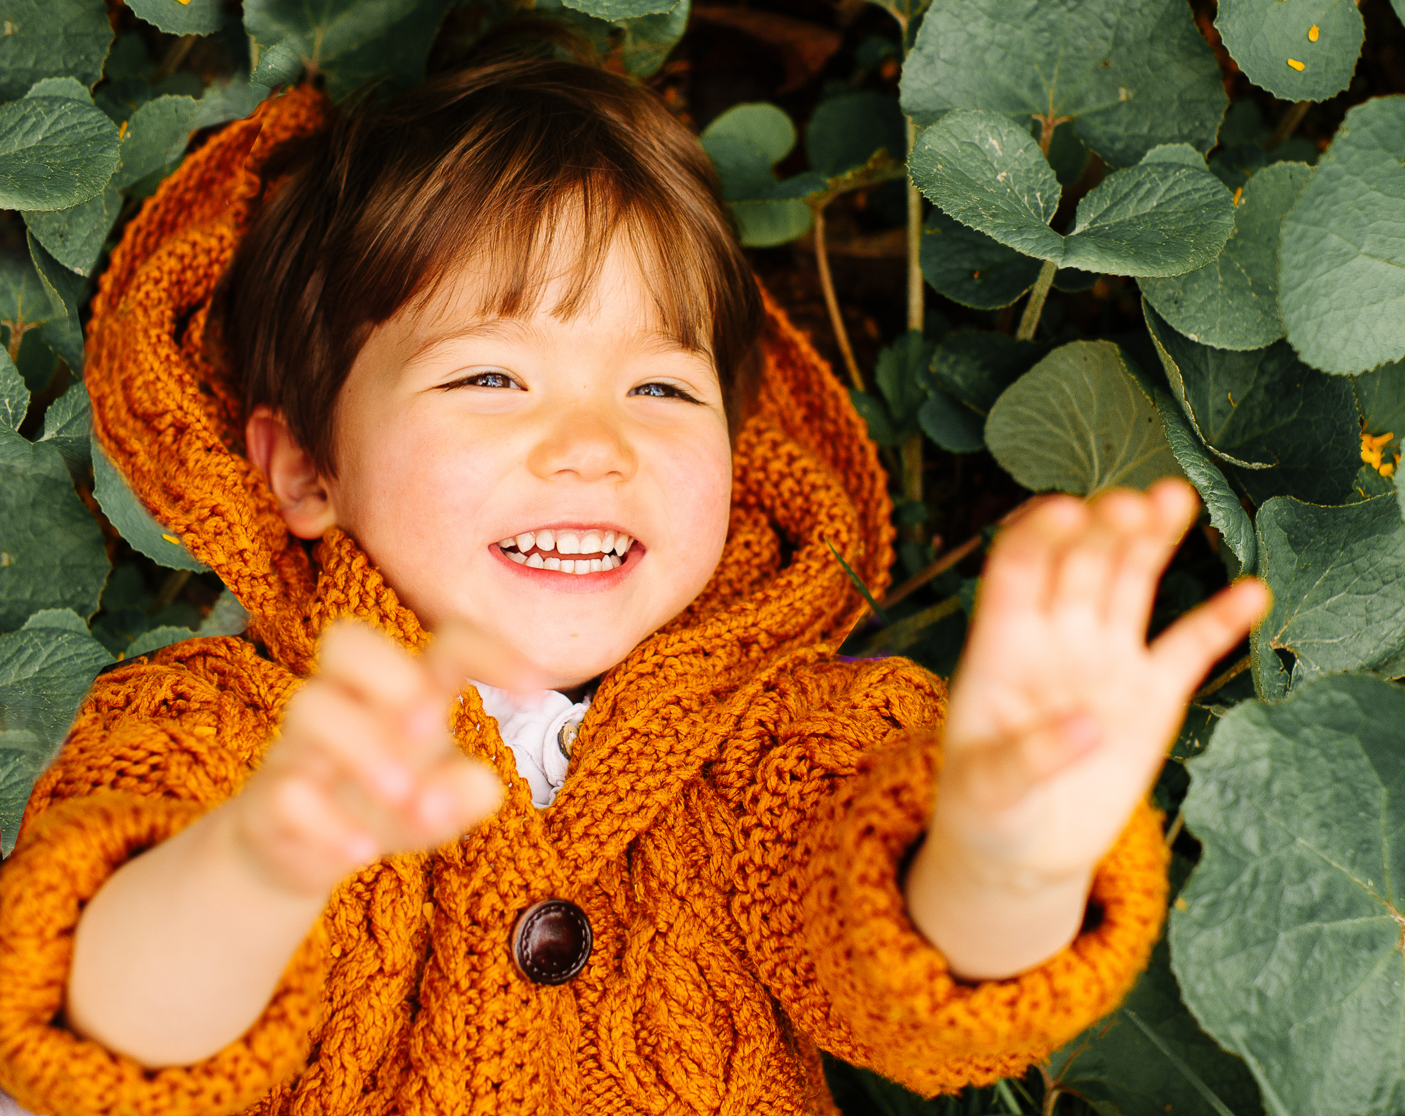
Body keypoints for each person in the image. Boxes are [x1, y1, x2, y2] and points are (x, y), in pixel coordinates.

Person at [0, 55, 1267, 1116]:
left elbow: (911, 988)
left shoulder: (783, 740)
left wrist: (1009, 858)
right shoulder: (219, 728)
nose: (594, 443)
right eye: (490, 377)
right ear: (307, 469)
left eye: (660, 388)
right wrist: (255, 866)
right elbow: (93, 1030)